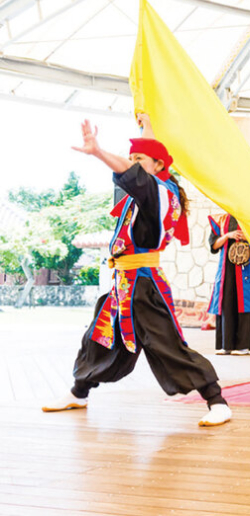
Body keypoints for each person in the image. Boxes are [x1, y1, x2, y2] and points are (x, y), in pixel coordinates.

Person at [42, 114, 231, 427]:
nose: (132, 163)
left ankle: (217, 401)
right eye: (131, 157)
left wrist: (98, 151)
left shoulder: (160, 192)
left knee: (166, 345)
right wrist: (147, 124)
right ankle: (79, 392)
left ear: (158, 165)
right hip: (122, 285)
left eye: (139, 158)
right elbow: (139, 169)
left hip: (143, 286)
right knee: (98, 338)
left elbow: (136, 176)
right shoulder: (146, 192)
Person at [208, 213, 250, 355]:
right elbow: (214, 245)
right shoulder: (220, 219)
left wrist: (248, 237)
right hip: (226, 269)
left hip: (246, 267)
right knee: (226, 303)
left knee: (245, 303)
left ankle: (243, 346)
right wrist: (228, 235)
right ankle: (226, 345)